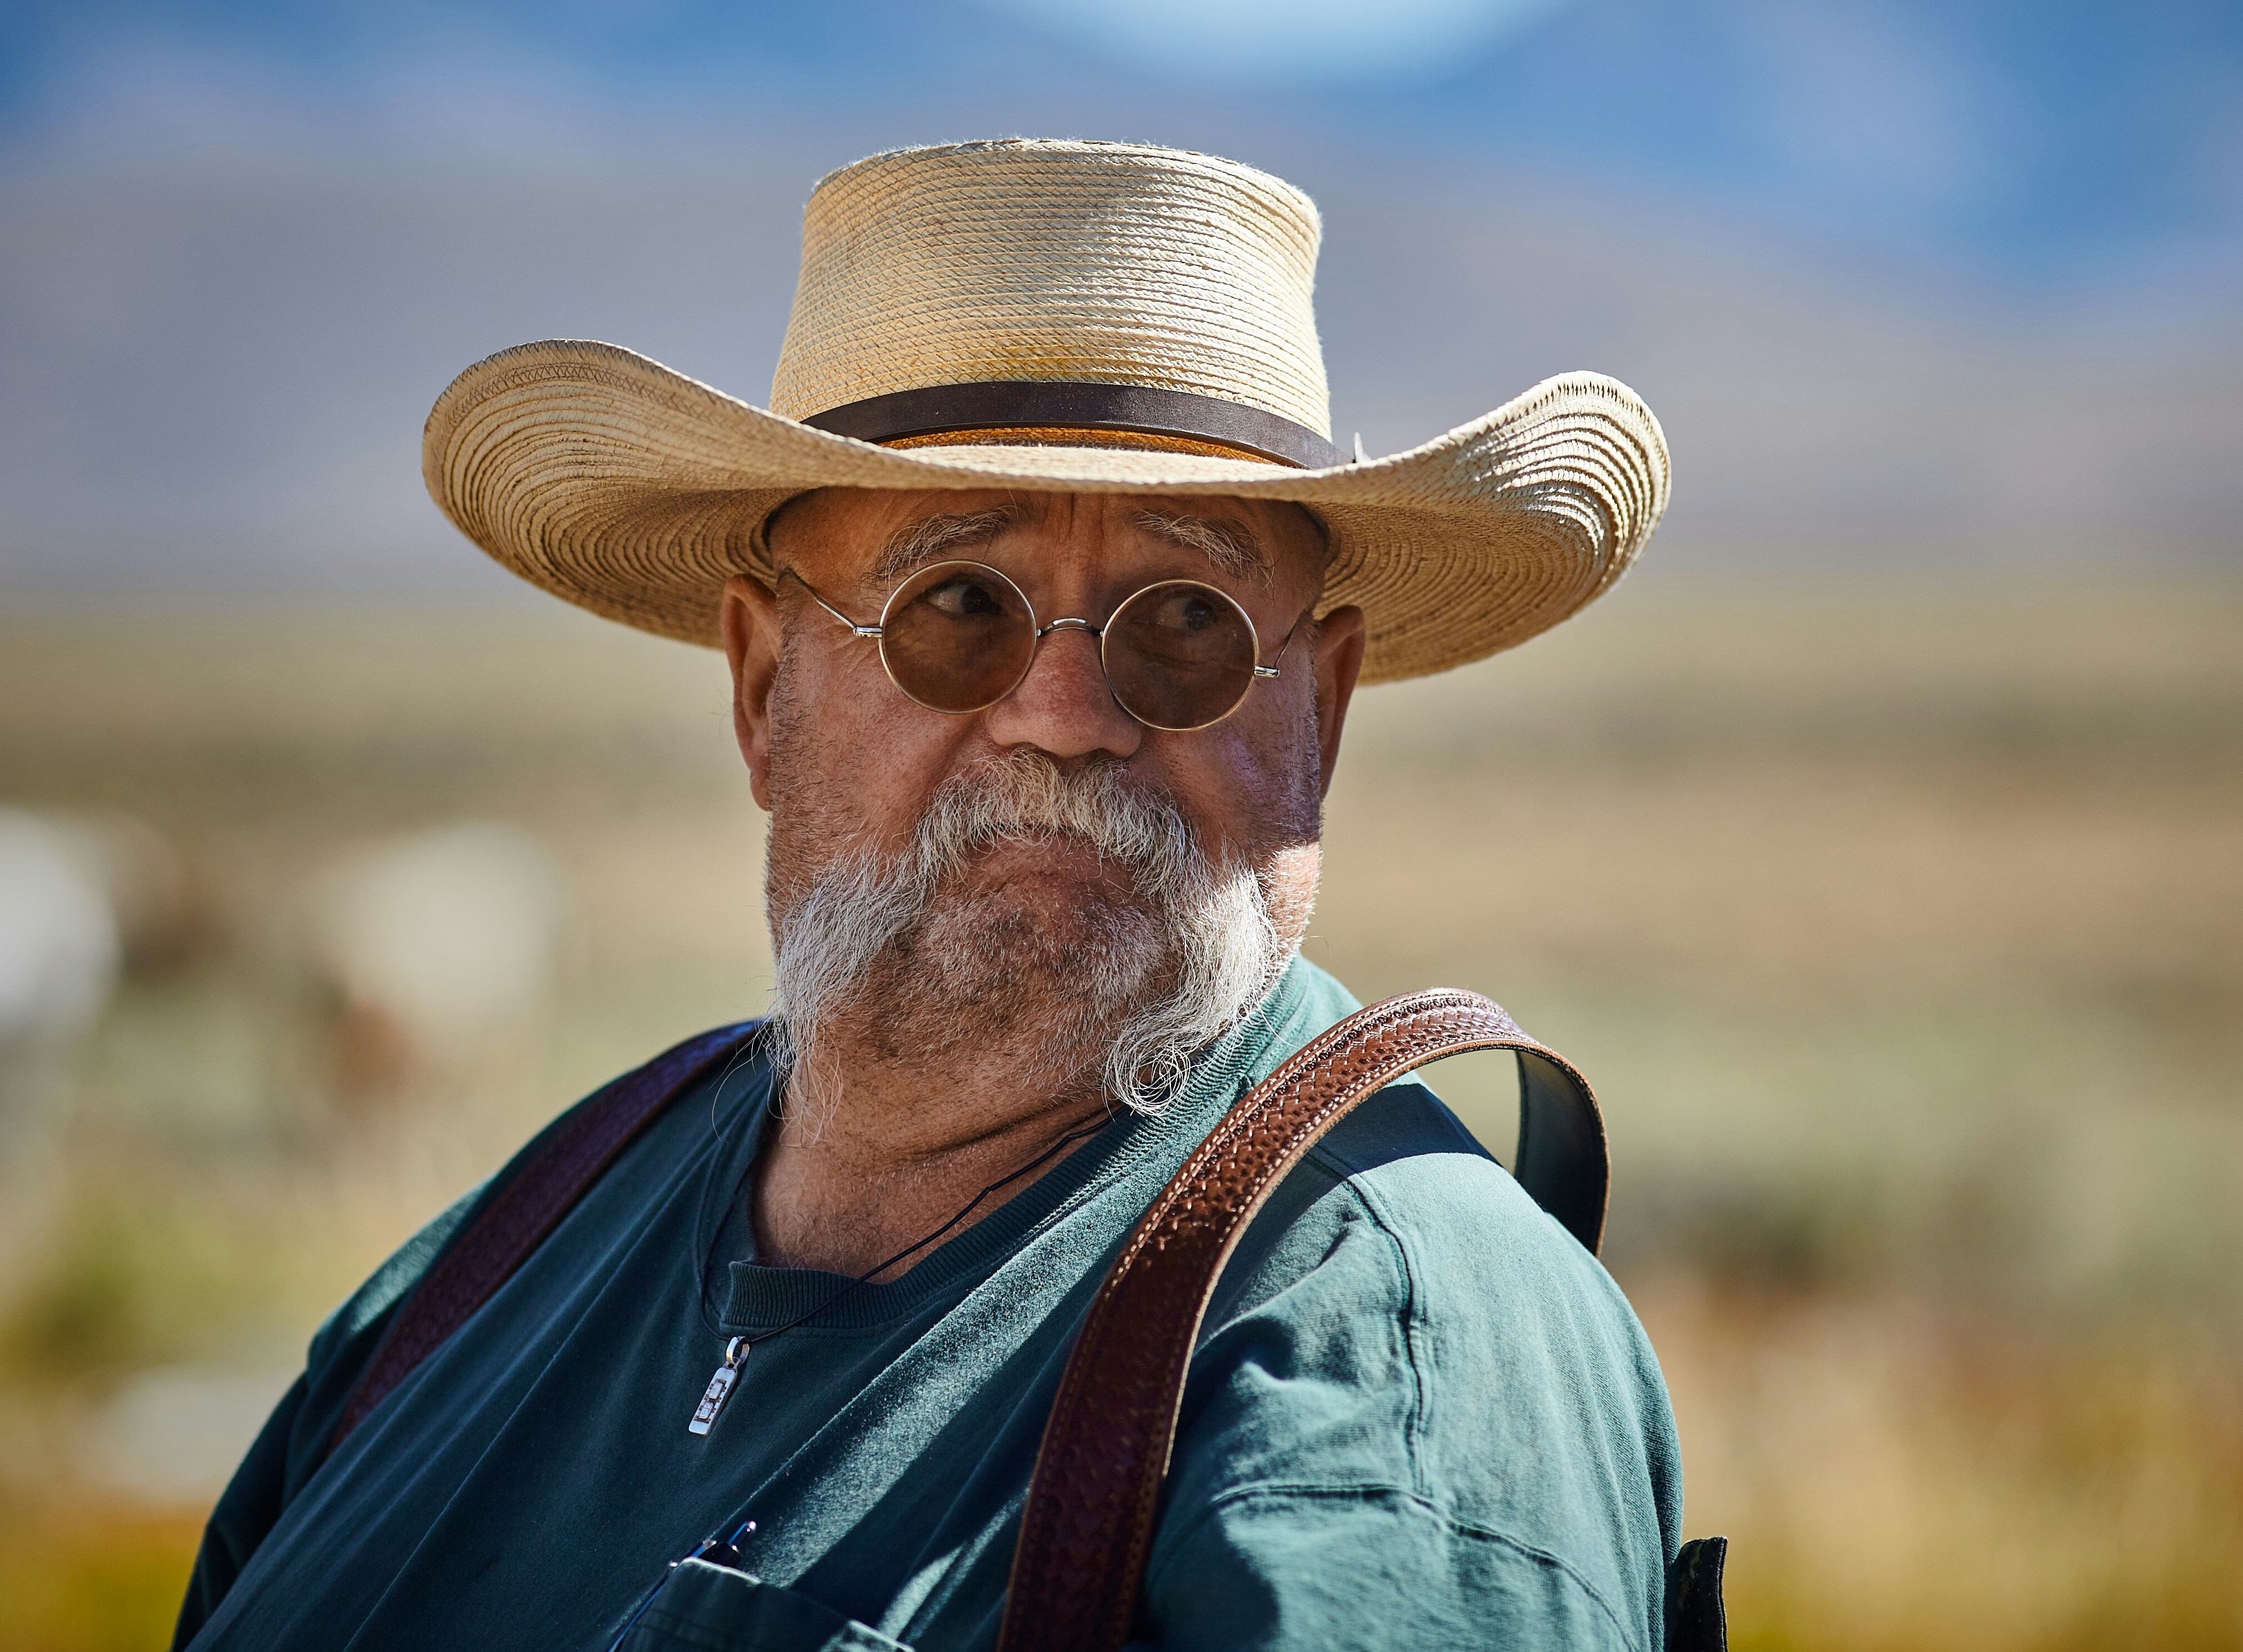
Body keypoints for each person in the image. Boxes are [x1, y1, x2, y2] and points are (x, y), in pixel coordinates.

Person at [175, 138, 1680, 1651]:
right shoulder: (502, 1254)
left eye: (1186, 621)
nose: (1068, 713)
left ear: (1322, 711)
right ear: (765, 687)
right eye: (958, 605)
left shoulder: (1372, 1359)